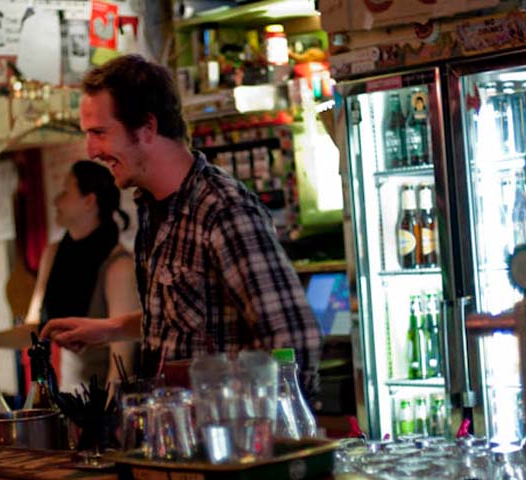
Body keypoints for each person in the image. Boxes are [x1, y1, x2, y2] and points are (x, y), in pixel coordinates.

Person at [41, 55, 322, 394]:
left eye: (99, 133)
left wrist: (256, 420)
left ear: (147, 128)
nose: (91, 151)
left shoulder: (222, 210)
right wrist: (110, 329)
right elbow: (184, 321)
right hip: (177, 423)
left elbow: (295, 338)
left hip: (225, 427)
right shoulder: (153, 208)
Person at [0, 160, 140, 392]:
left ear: (89, 201)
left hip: (102, 400)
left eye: (65, 191)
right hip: (68, 395)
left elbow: (122, 361)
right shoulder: (54, 253)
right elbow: (36, 330)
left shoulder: (118, 265)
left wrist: (107, 412)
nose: (56, 201)